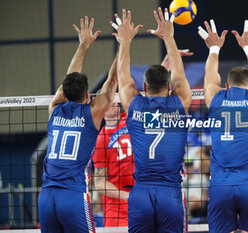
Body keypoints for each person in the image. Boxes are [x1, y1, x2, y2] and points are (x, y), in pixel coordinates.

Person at [38, 16, 119, 233]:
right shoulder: (92, 114)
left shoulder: (54, 109)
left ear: (63, 93)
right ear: (87, 93)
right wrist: (125, 44)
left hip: (45, 197)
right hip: (72, 196)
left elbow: (68, 79)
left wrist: (83, 46)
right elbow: (111, 82)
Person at [114, 8, 192, 232]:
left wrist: (125, 41)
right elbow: (179, 74)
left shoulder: (134, 105)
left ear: (144, 87)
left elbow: (122, 74)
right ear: (169, 87)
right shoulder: (179, 104)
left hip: (141, 193)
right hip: (170, 193)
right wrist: (169, 37)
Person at [198, 19, 248, 232]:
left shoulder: (217, 98)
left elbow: (210, 79)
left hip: (222, 185)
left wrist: (213, 48)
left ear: (226, 85)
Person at [92, 102, 134, 227]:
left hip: (143, 197)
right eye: (109, 101)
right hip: (116, 206)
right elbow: (99, 183)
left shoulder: (131, 119)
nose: (114, 102)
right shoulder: (101, 139)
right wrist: (127, 196)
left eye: (115, 100)